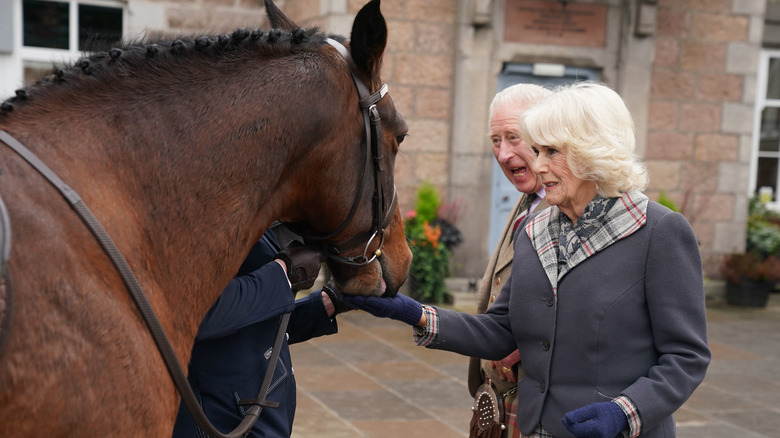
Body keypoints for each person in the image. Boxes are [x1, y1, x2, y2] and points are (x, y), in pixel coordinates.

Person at [343, 82, 711, 438]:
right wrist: (413, 313)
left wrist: (624, 411)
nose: (538, 165)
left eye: (551, 152)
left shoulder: (660, 231)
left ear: (594, 151)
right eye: (536, 151)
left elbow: (686, 356)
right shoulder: (534, 228)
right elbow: (502, 331)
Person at [172, 225, 345, 437]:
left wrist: (326, 305)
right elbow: (199, 314)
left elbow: (253, 323)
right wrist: (282, 273)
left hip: (260, 417)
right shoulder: (191, 221)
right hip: (221, 421)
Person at [467, 83, 551, 438]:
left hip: (535, 399)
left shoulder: (572, 207)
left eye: (513, 137)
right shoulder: (528, 197)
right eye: (495, 140)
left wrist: (525, 343)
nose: (502, 154)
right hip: (497, 397)